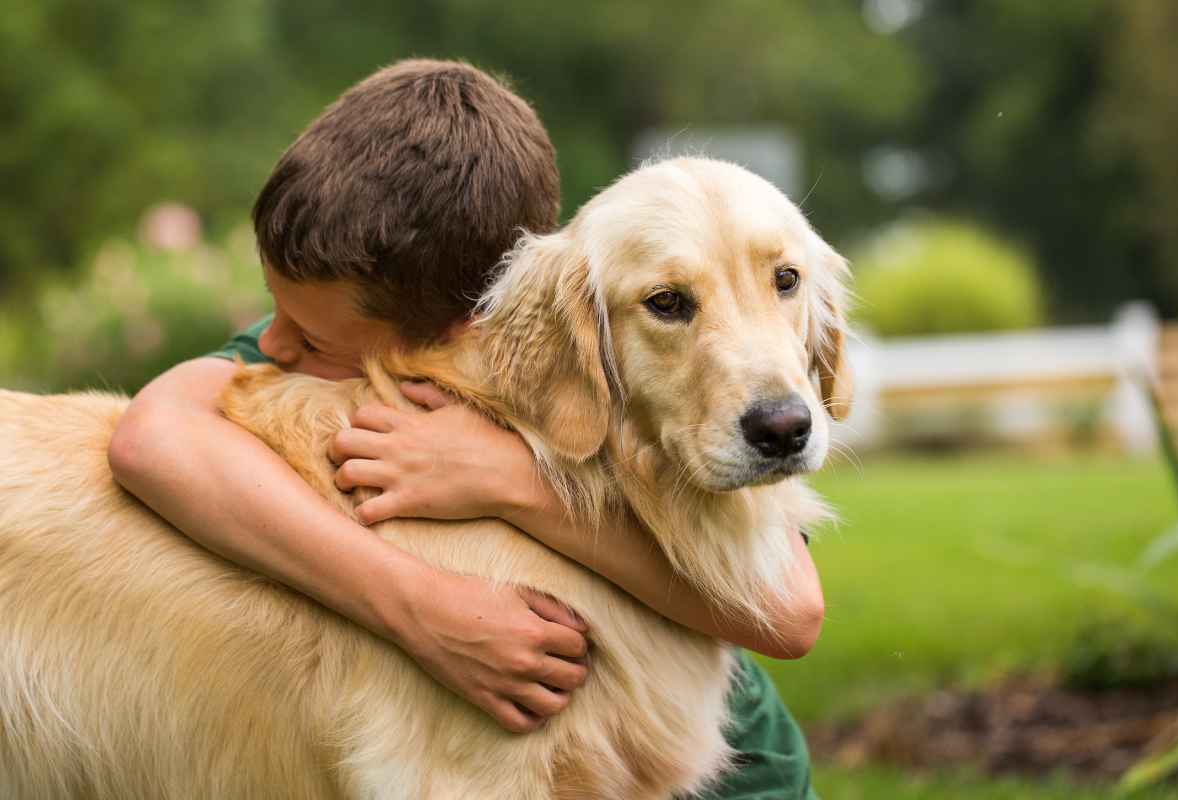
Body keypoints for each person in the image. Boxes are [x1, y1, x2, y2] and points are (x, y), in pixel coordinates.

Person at [108, 58, 821, 798]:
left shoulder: (579, 332)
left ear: (457, 331)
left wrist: (508, 483)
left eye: (311, 339)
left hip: (742, 771)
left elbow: (793, 614)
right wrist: (419, 605)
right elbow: (148, 437)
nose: (276, 346)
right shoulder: (357, 313)